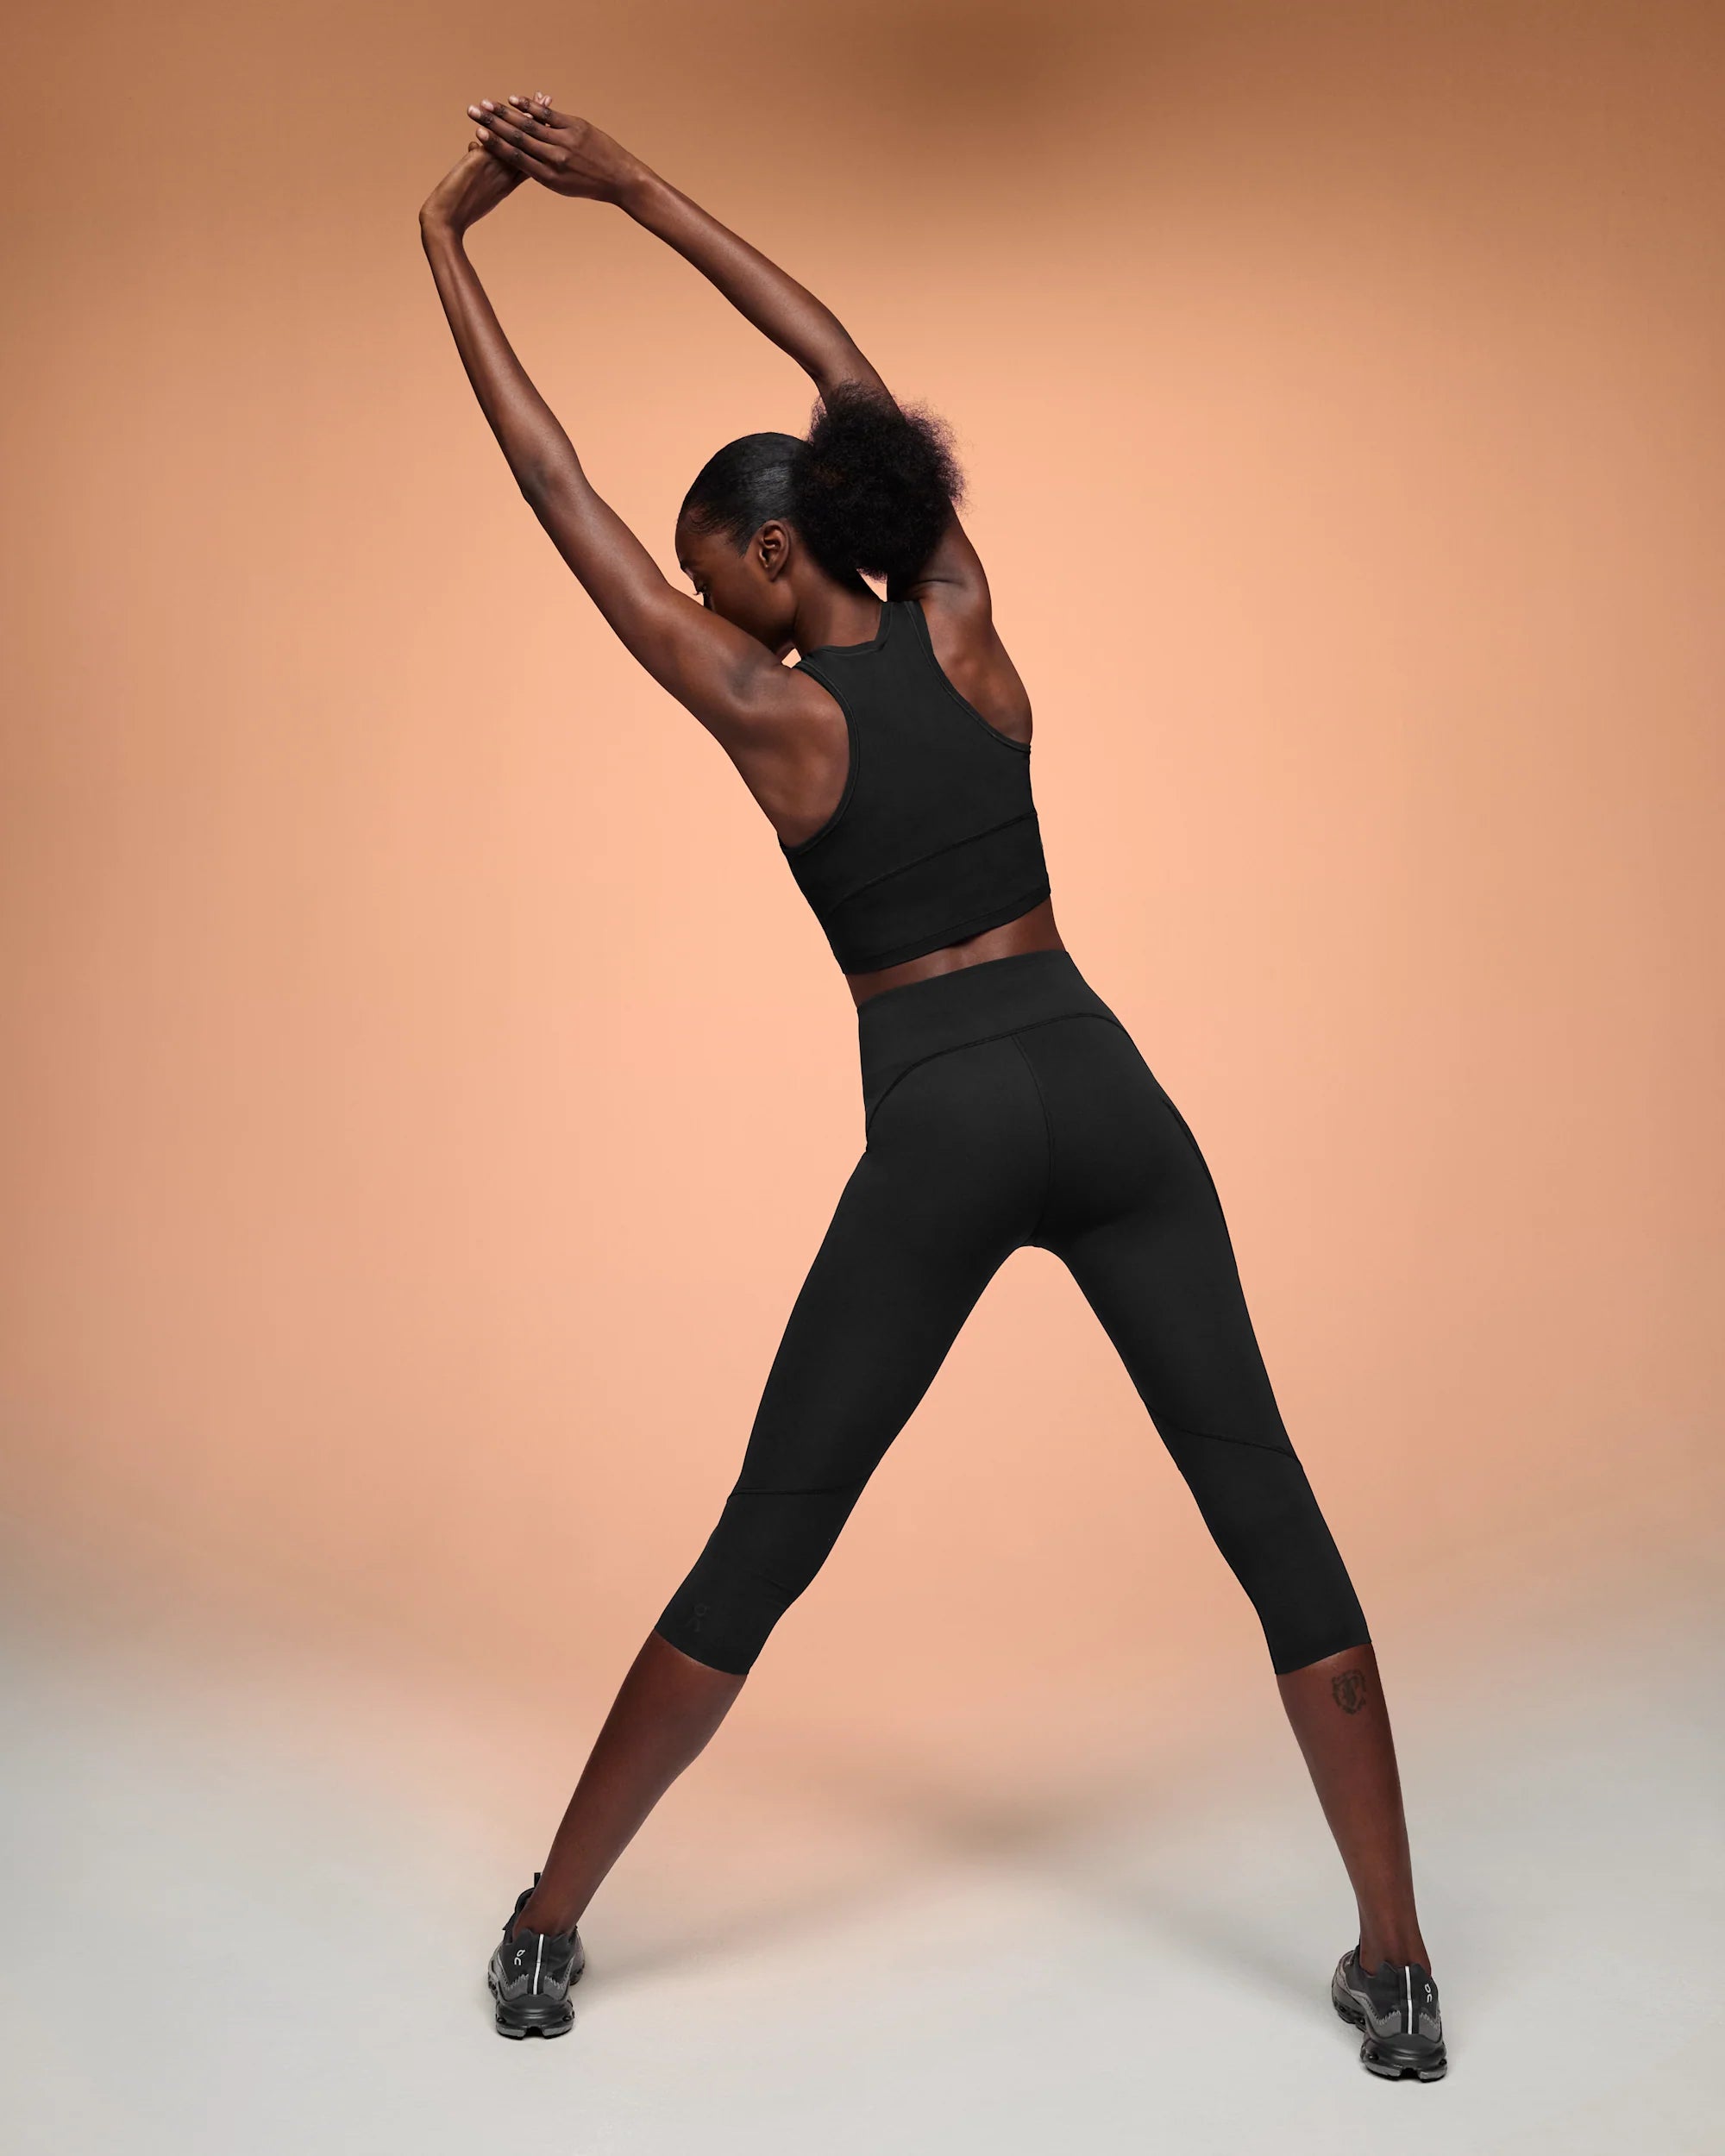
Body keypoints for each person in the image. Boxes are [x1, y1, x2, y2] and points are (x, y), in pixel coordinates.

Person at [418, 95, 1445, 2078]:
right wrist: (632, 190)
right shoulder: (966, 624)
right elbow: (843, 368)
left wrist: (448, 248)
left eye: (719, 573)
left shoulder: (770, 714)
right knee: (1271, 1513)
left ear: (774, 552)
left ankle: (548, 1921)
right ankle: (1394, 1961)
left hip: (948, 1123)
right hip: (1107, 1083)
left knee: (770, 1530)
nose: (709, 604)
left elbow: (558, 493)